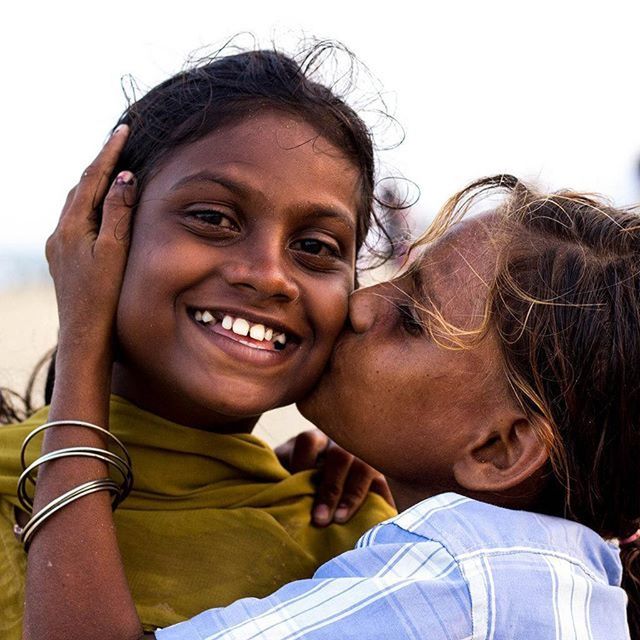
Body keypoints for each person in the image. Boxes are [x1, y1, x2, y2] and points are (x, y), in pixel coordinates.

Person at [21, 174, 640, 639]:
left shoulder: (460, 577)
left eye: (412, 320)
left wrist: (84, 335)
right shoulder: (552, 575)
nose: (362, 305)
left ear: (500, 449)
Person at [0, 43, 399, 639]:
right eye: (213, 218)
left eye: (315, 247)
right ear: (101, 228)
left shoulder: (360, 544)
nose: (267, 274)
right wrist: (83, 337)